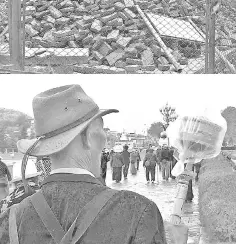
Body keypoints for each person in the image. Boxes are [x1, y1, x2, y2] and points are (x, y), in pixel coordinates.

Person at [0, 85, 188, 244]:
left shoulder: (11, 219)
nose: (105, 138)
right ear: (90, 137)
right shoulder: (138, 211)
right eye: (102, 129)